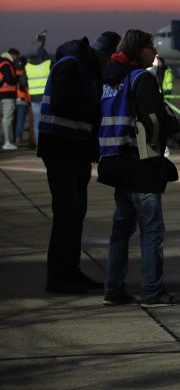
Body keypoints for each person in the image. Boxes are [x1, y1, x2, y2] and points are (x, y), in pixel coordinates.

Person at [97, 29, 180, 307]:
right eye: (151, 47)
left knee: (121, 227)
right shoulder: (140, 78)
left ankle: (114, 288)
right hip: (138, 162)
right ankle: (152, 291)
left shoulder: (109, 81)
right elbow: (160, 117)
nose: (155, 53)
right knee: (152, 229)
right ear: (138, 50)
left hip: (114, 160)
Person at [39, 31, 120, 294]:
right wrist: (94, 110)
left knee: (76, 214)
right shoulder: (71, 64)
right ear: (104, 56)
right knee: (67, 213)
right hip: (61, 148)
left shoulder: (86, 68)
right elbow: (62, 104)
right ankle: (58, 276)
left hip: (77, 150)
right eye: (110, 60)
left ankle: (71, 272)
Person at [25, 48, 52, 147]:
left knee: (37, 121)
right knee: (48, 120)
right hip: (46, 97)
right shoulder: (48, 63)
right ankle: (47, 144)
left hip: (34, 97)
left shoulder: (28, 66)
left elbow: (22, 81)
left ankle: (38, 144)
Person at [1, 48, 20, 150]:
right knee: (7, 118)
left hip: (3, 94)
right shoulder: (6, 63)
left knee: (5, 118)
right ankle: (7, 142)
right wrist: (16, 79)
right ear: (13, 55)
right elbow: (10, 79)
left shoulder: (2, 62)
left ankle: (5, 141)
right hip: (7, 94)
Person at [14, 55, 30, 147]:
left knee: (16, 120)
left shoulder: (14, 71)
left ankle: (16, 137)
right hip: (23, 98)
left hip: (14, 98)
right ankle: (18, 138)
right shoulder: (25, 72)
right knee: (21, 120)